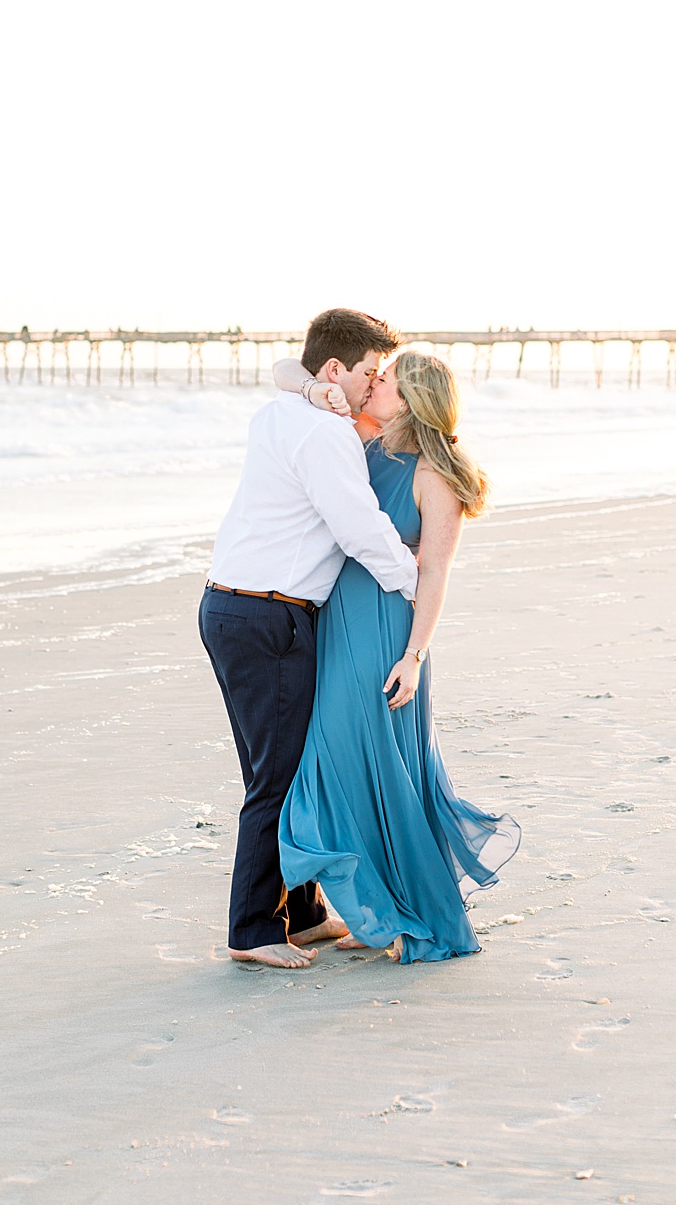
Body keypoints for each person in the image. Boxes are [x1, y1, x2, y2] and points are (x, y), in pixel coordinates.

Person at [273, 349, 520, 963]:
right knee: (350, 765)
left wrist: (414, 655)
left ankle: (409, 915)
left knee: (372, 768)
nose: (371, 384)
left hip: (386, 636)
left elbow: (434, 572)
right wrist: (314, 393)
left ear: (408, 400)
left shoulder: (434, 473)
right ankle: (381, 908)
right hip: (338, 622)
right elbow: (283, 370)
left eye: (383, 381)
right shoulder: (361, 442)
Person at [198, 308, 418, 970]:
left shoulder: (278, 412)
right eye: (368, 374)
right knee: (280, 776)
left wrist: (311, 389)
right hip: (269, 617)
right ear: (333, 370)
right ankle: (252, 930)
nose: (371, 386)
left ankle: (303, 913)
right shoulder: (325, 435)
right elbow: (360, 528)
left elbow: (286, 376)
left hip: (232, 609)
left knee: (281, 770)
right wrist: (419, 583)